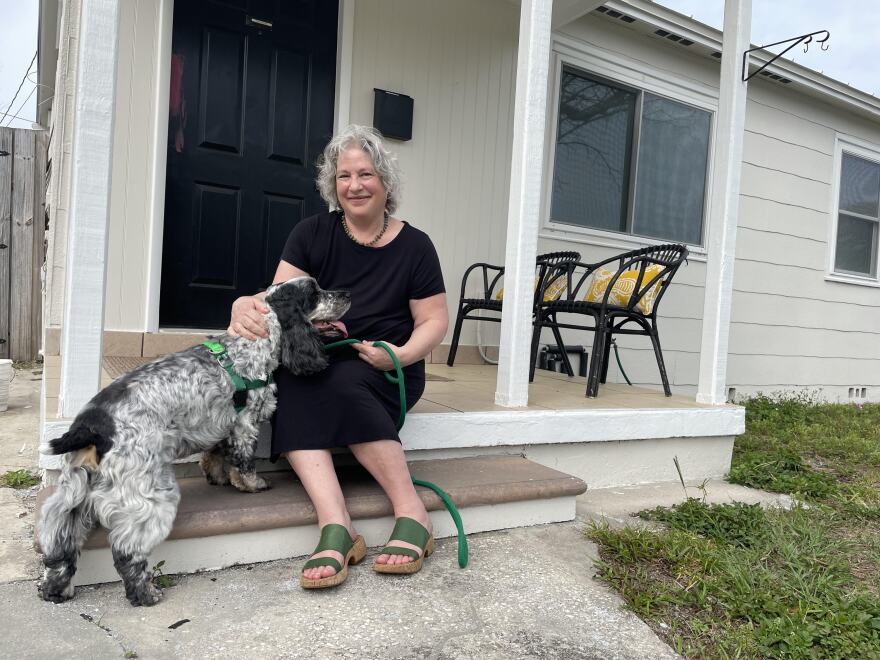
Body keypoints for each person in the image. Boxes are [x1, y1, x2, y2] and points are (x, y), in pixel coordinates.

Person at [228, 125, 448, 589]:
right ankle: (338, 527)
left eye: (366, 174)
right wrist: (241, 305)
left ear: (385, 181)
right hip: (321, 358)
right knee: (294, 382)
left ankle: (412, 512)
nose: (355, 185)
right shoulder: (312, 233)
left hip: (388, 367)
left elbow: (433, 321)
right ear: (333, 184)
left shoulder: (417, 246)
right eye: (344, 176)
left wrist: (401, 355)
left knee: (344, 383)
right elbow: (276, 298)